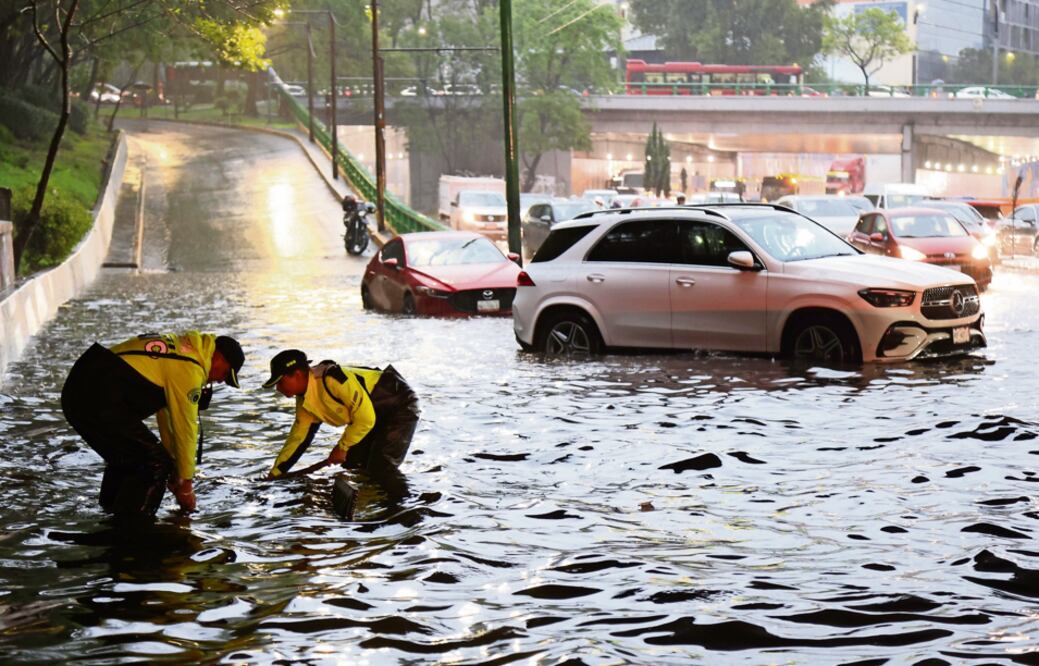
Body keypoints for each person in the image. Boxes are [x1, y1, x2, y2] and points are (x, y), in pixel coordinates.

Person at [61, 332, 244, 518]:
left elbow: (167, 418)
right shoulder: (190, 366)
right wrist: (186, 485)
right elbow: (186, 428)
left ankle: (111, 519)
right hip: (96, 395)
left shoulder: (186, 350)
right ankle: (137, 534)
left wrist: (176, 472)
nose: (221, 381)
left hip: (82, 386)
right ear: (219, 357)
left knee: (129, 457)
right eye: (225, 374)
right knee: (156, 463)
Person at [263, 350, 420, 500]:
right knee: (353, 463)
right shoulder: (304, 400)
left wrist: (342, 447)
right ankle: (370, 502)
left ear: (297, 375)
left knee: (381, 465)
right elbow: (298, 439)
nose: (278, 388)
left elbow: (365, 418)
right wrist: (277, 472)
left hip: (399, 403)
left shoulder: (331, 378)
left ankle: (405, 506)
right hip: (369, 417)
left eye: (280, 382)